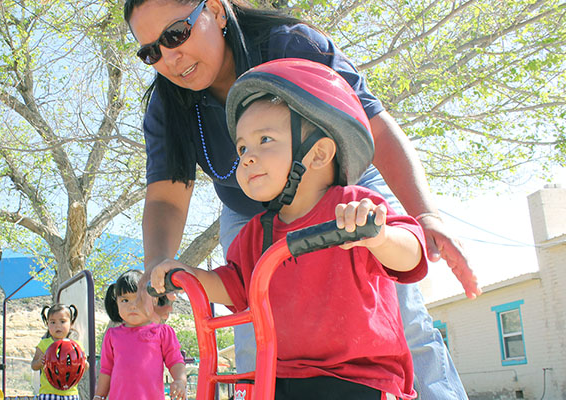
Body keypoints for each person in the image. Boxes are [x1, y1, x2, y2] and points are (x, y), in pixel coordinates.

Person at [124, 0, 480, 398]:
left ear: (217, 12)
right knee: (253, 331)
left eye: (176, 34)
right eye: (151, 51)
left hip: (341, 195)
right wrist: (158, 267)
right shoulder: (167, 106)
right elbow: (167, 197)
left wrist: (425, 216)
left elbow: (376, 129)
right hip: (252, 213)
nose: (170, 57)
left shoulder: (289, 44)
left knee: (402, 317)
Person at [150, 58, 428, 399]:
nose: (247, 157)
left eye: (265, 140)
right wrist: (186, 273)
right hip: (281, 376)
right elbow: (236, 286)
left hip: (360, 378)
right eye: (242, 148)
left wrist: (380, 236)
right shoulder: (256, 232)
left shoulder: (355, 206)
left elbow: (411, 255)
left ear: (318, 153)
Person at [94, 269, 187, 400]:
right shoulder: (112, 335)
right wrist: (99, 396)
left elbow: (175, 361)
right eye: (125, 300)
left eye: (139, 299)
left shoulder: (162, 333)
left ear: (154, 300)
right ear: (116, 303)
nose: (132, 306)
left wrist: (180, 381)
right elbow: (106, 370)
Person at [31, 304, 88, 400]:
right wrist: (39, 362)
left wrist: (84, 363)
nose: (58, 326)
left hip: (71, 394)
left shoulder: (76, 346)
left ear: (71, 323)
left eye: (62, 321)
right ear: (47, 324)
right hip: (48, 393)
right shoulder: (44, 344)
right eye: (53, 322)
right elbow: (33, 366)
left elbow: (85, 367)